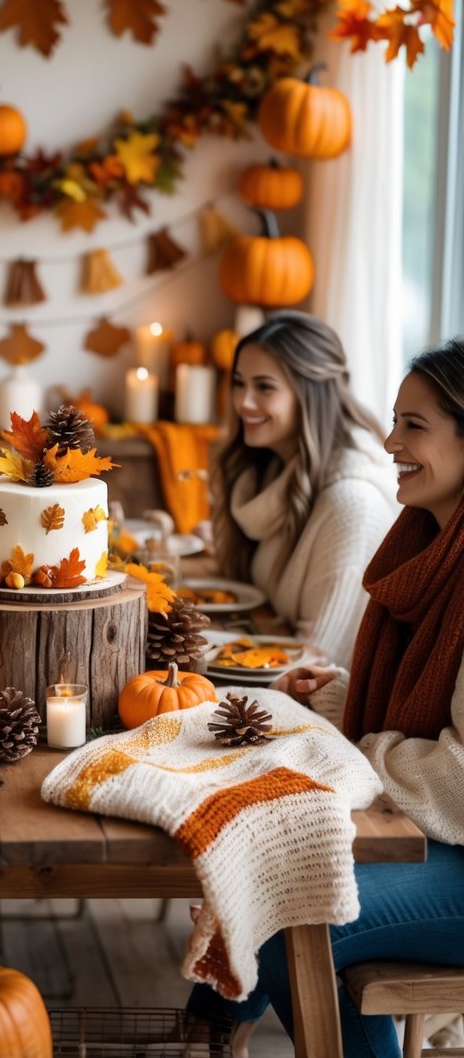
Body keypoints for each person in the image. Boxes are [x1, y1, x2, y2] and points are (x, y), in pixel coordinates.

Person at [188, 336, 464, 1058]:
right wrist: (339, 701)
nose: (388, 438)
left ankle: (212, 1024)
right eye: (394, 419)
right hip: (436, 844)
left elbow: (460, 781)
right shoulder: (422, 545)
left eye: (413, 425)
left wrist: (360, 747)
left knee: (283, 911)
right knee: (260, 868)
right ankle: (210, 1025)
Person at [210, 310, 398, 667]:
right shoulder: (270, 474)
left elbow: (315, 663)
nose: (243, 403)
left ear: (311, 394)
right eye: (239, 382)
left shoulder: (351, 505)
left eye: (264, 386)